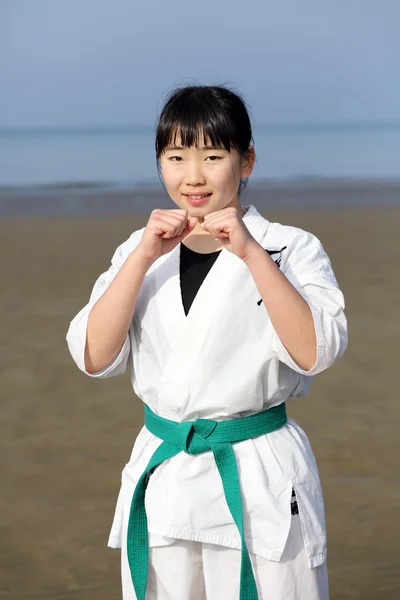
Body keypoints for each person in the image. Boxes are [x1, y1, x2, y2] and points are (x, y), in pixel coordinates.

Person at [66, 84, 348, 600]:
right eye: (175, 157)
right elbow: (92, 355)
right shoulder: (139, 248)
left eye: (213, 156)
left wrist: (249, 250)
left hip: (257, 470)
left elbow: (318, 351)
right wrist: (142, 258)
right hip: (165, 472)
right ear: (160, 163)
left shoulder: (290, 247)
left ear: (246, 161)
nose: (192, 176)